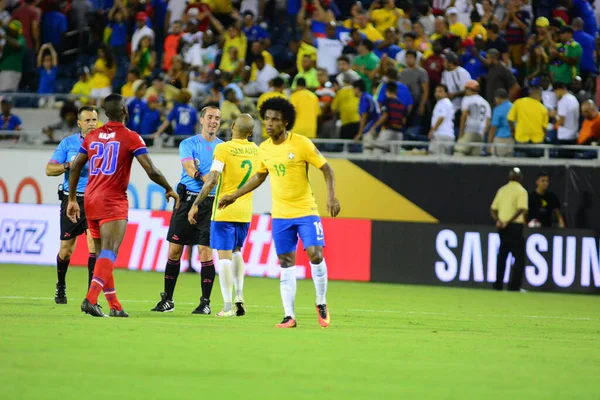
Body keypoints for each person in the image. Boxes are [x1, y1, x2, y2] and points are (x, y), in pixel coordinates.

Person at [218, 97, 340, 328]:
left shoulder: (301, 143)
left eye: (275, 119)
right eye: (267, 119)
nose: (270, 123)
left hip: (306, 210)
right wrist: (233, 195)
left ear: (286, 123)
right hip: (281, 215)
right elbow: (259, 176)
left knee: (315, 254)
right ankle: (289, 316)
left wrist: (331, 196)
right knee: (286, 262)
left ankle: (321, 302)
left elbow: (327, 169)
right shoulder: (263, 149)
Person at [67, 94, 179, 317]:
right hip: (112, 200)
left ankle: (115, 306)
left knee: (102, 255)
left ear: (106, 114)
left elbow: (76, 166)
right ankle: (90, 299)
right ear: (125, 111)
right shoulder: (130, 137)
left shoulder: (92, 136)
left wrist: (71, 199)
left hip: (90, 198)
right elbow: (152, 170)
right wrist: (169, 188)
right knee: (110, 251)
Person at [151, 106, 223, 314]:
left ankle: (205, 303)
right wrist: (205, 178)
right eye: (209, 117)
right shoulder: (188, 144)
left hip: (210, 203)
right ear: (201, 120)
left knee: (205, 251)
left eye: (217, 118)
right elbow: (189, 167)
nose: (213, 121)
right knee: (174, 251)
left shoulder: (223, 147)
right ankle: (168, 300)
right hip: (186, 199)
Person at [187, 114, 258, 317]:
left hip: (224, 209)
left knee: (224, 258)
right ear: (251, 133)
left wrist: (196, 203)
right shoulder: (256, 150)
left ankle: (227, 306)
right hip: (245, 211)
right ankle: (239, 295)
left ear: (233, 126)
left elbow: (213, 179)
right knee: (237, 252)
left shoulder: (223, 148)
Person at [46, 106, 99, 304]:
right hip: (72, 200)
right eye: (87, 120)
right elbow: (49, 169)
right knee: (66, 250)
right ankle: (61, 285)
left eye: (94, 120)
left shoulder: (104, 144)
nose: (92, 124)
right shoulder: (68, 144)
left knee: (94, 246)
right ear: (79, 123)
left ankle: (90, 296)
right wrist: (69, 165)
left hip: (95, 200)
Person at [490, 167, 528, 291]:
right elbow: (522, 208)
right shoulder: (521, 191)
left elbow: (493, 209)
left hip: (502, 227)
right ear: (520, 178)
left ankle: (498, 285)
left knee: (502, 256)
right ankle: (514, 286)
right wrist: (508, 221)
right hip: (514, 226)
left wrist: (498, 221)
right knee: (519, 257)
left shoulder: (502, 190)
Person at [365, 82, 407, 154]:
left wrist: (374, 127)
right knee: (395, 158)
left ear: (386, 91)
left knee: (377, 152)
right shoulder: (401, 104)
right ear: (396, 91)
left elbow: (384, 116)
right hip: (399, 133)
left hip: (388, 131)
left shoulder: (387, 101)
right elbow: (404, 120)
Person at [507, 87, 548, 156]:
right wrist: (543, 137)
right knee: (536, 165)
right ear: (540, 96)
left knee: (520, 165)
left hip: (521, 138)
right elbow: (544, 128)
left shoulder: (518, 103)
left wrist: (513, 130)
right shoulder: (543, 108)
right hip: (537, 141)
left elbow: (510, 119)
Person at [455, 80, 491, 156]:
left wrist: (461, 132)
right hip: (480, 133)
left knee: (459, 153)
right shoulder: (485, 102)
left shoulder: (467, 99)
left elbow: (464, 115)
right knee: (474, 159)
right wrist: (483, 132)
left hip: (469, 130)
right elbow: (488, 120)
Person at [553, 82, 580, 151]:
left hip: (564, 137)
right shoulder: (574, 98)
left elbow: (561, 122)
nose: (555, 94)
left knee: (562, 160)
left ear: (559, 90)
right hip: (574, 135)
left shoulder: (562, 101)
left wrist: (554, 115)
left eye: (555, 91)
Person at [429, 85, 456, 155]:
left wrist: (433, 130)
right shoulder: (446, 103)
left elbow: (441, 117)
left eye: (440, 91)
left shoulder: (444, 102)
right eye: (436, 91)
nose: (437, 93)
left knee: (434, 158)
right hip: (448, 135)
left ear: (446, 93)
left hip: (441, 135)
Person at [353, 79, 380, 143]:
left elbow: (364, 116)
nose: (353, 91)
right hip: (376, 126)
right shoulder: (369, 96)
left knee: (367, 149)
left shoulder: (364, 98)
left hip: (371, 128)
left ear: (357, 89)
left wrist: (360, 133)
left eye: (353, 89)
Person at [489, 89, 514, 157]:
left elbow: (493, 128)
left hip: (500, 139)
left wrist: (489, 144)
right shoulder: (514, 107)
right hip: (512, 140)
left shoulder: (498, 109)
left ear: (498, 98)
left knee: (497, 165)